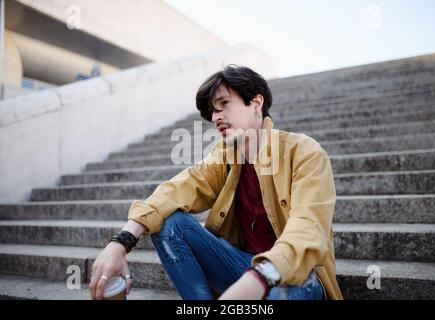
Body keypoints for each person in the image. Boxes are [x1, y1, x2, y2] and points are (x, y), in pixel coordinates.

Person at [89, 65, 343, 300]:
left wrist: (262, 276)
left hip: (298, 276)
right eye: (212, 110)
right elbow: (177, 190)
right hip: (244, 268)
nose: (216, 116)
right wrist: (121, 242)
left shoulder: (304, 152)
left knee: (278, 294)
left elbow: (308, 228)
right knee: (170, 222)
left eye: (223, 104)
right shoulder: (224, 157)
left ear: (256, 103)